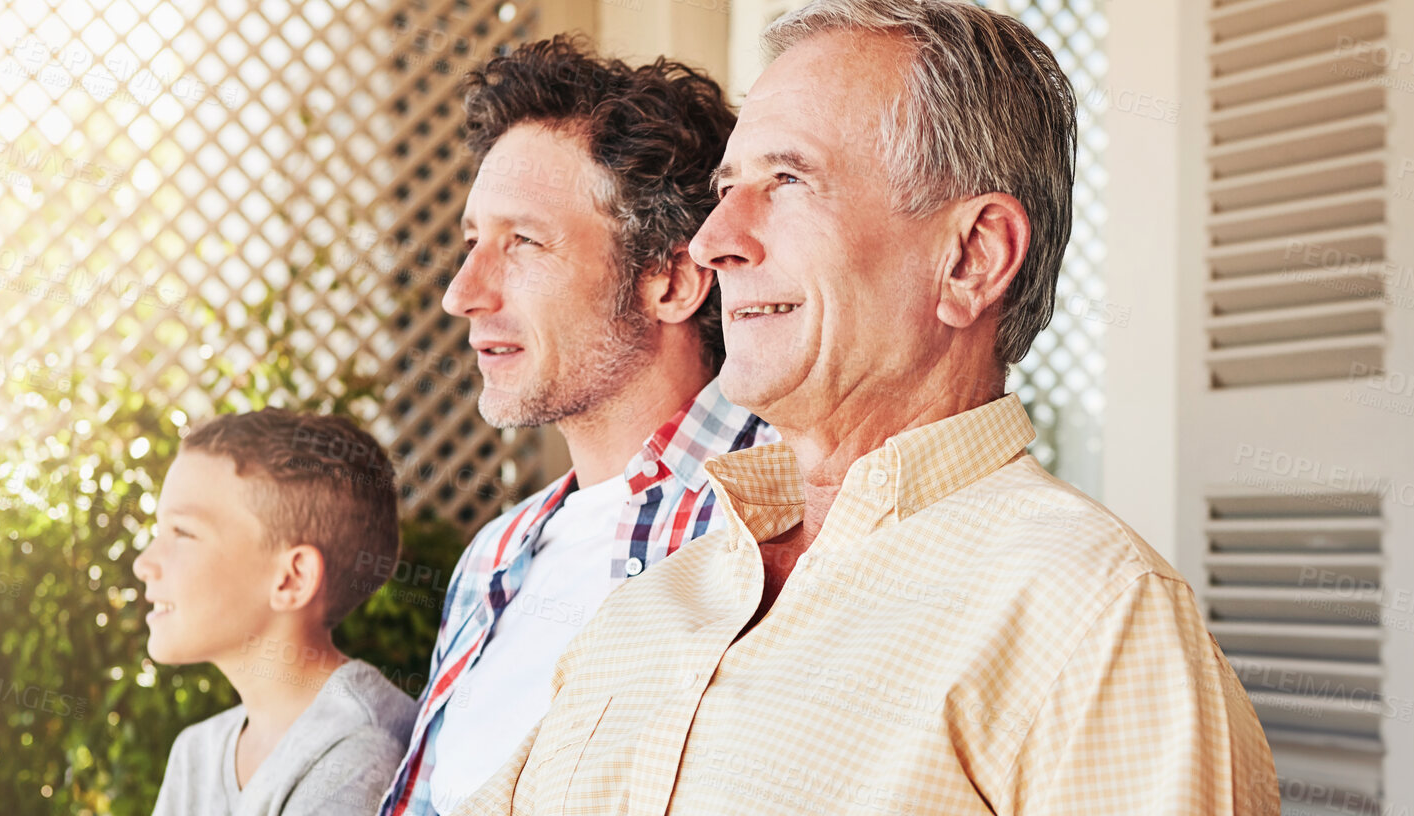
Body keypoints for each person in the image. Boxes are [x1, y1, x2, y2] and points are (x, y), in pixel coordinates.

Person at [454, 2, 1279, 813]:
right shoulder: (659, 599)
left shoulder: (1092, 619)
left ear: (971, 257)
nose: (713, 240)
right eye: (727, 186)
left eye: (786, 181)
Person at [378, 34, 773, 816]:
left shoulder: (789, 518)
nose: (463, 292)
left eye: (521, 242)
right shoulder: (494, 554)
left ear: (670, 279)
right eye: (470, 242)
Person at [137, 409, 416, 816]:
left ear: (292, 578)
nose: (144, 563)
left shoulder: (362, 755)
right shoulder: (196, 753)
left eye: (182, 532)